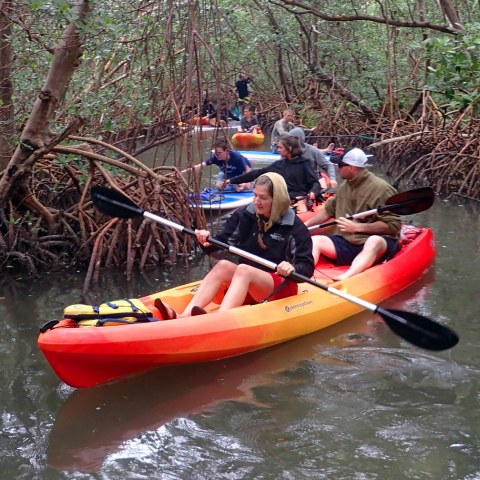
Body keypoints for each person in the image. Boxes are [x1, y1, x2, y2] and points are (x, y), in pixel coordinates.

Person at [175, 173, 314, 317]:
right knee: (223, 265)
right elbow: (220, 247)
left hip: (280, 288)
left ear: (277, 199)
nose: (257, 201)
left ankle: (220, 319)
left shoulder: (295, 227)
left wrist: (292, 268)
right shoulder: (245, 215)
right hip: (248, 282)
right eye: (255, 195)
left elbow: (307, 267)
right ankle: (185, 316)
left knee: (244, 270)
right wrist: (205, 241)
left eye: (263, 198)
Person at [304, 148, 402, 281]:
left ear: (350, 167)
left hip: (376, 243)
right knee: (315, 240)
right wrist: (305, 226)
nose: (337, 169)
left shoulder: (381, 189)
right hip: (348, 242)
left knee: (374, 241)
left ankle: (347, 277)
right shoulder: (344, 187)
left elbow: (393, 226)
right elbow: (328, 211)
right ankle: (303, 275)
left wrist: (358, 228)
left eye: (339, 165)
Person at [225, 135, 322, 213]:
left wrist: (313, 192)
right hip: (283, 199)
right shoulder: (279, 165)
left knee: (301, 204)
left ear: (289, 148)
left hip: (300, 198)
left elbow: (315, 182)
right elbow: (257, 173)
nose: (278, 150)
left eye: (280, 147)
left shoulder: (304, 163)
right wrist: (232, 180)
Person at [181, 139, 252, 190]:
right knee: (219, 187)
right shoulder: (215, 157)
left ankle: (247, 183)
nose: (217, 155)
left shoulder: (236, 157)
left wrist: (244, 183)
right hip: (226, 173)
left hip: (240, 173)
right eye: (216, 153)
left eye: (219, 153)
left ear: (226, 151)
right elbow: (201, 165)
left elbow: (248, 169)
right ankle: (232, 186)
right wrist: (183, 172)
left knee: (246, 187)